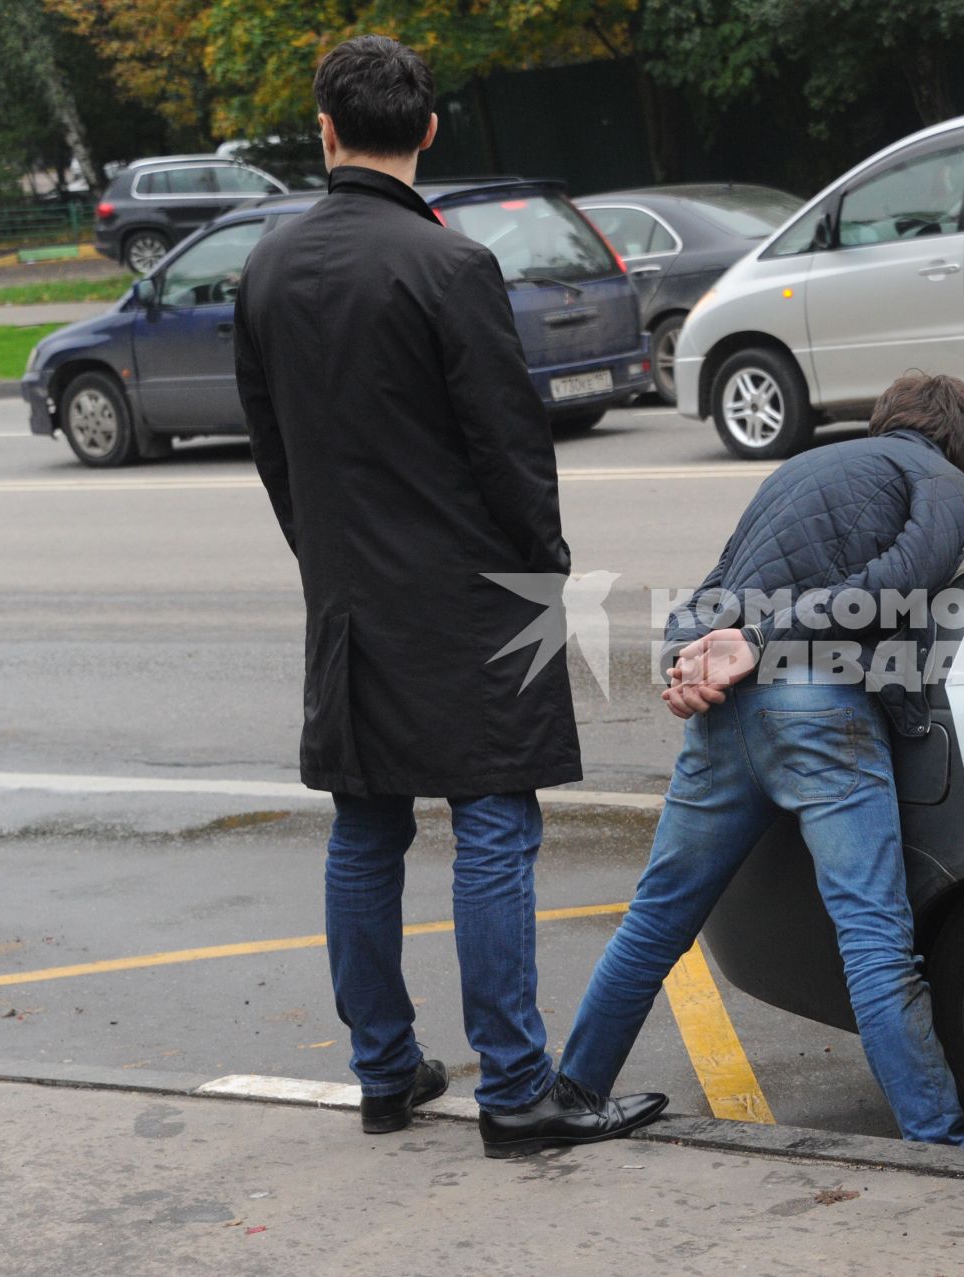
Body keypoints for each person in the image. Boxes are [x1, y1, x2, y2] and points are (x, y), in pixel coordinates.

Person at [233, 34, 665, 1159]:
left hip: (350, 599)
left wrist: (323, 558)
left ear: (325, 131)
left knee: (365, 826)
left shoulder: (268, 266)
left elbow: (272, 449)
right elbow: (509, 444)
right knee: (493, 825)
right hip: (471, 594)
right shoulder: (449, 265)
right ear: (428, 131)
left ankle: (385, 1067)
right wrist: (544, 567)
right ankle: (516, 1090)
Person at [558, 372, 964, 1147]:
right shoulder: (946, 481)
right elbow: (896, 587)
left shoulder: (797, 469)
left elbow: (708, 598)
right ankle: (942, 1142)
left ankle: (574, 1091)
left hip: (728, 720)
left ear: (884, 420)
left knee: (655, 921)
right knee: (873, 939)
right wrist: (760, 643)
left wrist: (685, 667)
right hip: (822, 711)